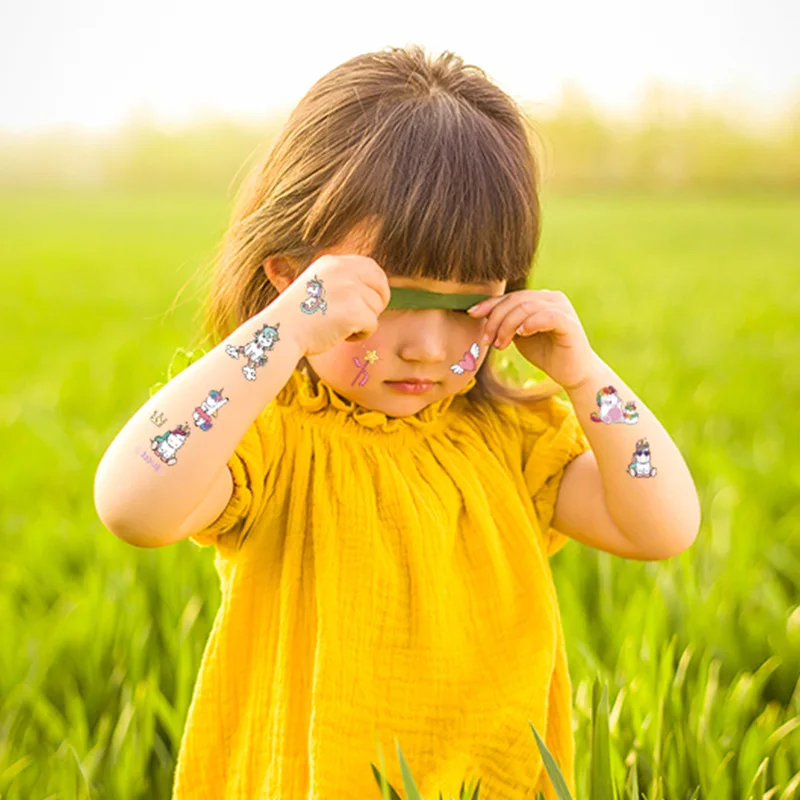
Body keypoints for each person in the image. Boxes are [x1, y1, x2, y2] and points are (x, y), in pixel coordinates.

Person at [94, 44, 701, 800]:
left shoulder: (511, 443)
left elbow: (662, 527)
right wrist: (281, 332)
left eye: (464, 307)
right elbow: (132, 503)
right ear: (290, 277)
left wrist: (587, 377)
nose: (424, 344)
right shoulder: (276, 441)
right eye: (383, 302)